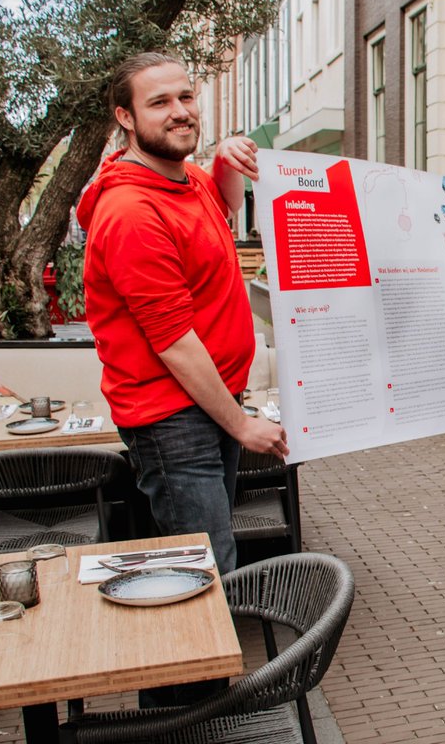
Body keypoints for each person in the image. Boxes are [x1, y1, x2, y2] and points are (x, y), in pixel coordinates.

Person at [77, 52, 289, 580]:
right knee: (206, 568)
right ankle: (208, 664)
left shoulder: (184, 177)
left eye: (186, 97)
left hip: (209, 401)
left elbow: (220, 209)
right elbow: (172, 341)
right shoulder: (130, 213)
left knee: (211, 559)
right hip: (173, 418)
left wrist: (227, 160)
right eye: (160, 102)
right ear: (125, 117)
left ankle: (213, 656)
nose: (180, 111)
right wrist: (241, 424)